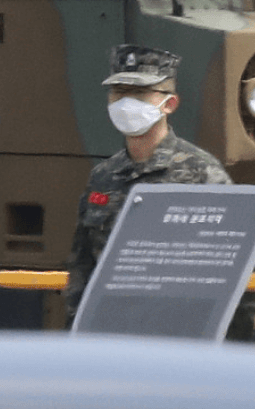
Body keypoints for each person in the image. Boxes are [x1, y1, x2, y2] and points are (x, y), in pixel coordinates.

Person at [64, 44, 232, 325]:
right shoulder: (104, 176)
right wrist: (76, 330)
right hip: (112, 330)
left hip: (179, 332)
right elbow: (82, 265)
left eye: (139, 93)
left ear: (169, 103)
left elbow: (227, 265)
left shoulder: (202, 173)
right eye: (118, 93)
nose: (126, 103)